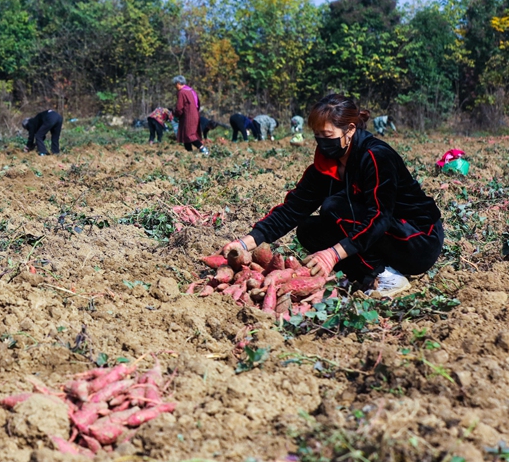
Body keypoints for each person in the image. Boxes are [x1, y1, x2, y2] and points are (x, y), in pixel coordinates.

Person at [222, 94, 443, 297]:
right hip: (384, 236)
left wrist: (334, 254)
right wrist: (245, 243)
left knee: (333, 207)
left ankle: (387, 276)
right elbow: (292, 210)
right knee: (309, 230)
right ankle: (371, 273)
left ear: (350, 130)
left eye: (327, 136)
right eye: (317, 136)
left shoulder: (376, 157)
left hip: (417, 239)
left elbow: (379, 217)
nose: (322, 143)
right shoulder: (327, 165)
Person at [172, 75, 209, 156]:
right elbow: (198, 104)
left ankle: (203, 148)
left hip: (188, 116)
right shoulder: (191, 90)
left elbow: (179, 107)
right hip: (194, 114)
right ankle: (189, 153)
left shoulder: (182, 92)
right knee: (185, 135)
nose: (175, 87)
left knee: (189, 134)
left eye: (175, 84)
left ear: (178, 83)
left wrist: (176, 115)